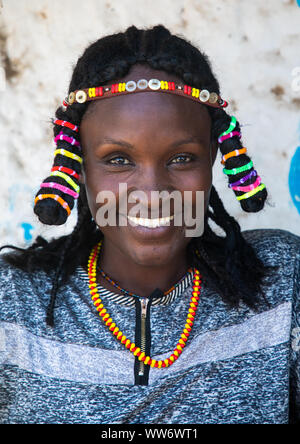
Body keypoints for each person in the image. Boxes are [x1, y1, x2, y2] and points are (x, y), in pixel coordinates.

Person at [0, 24, 299, 425]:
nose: (153, 191)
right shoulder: (13, 305)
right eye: (118, 160)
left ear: (214, 157)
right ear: (78, 163)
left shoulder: (282, 281)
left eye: (181, 158)